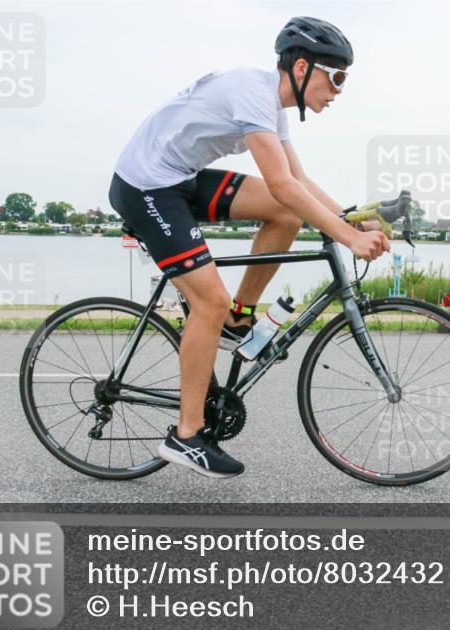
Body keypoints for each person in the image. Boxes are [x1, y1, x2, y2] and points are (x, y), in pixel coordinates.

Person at [108, 17, 389, 479]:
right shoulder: (253, 95)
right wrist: (350, 239)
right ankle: (187, 435)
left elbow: (296, 184)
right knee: (208, 301)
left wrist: (350, 218)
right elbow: (280, 182)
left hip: (181, 178)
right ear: (302, 68)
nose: (339, 89)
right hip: (146, 187)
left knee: (287, 215)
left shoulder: (271, 106)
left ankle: (239, 319)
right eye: (335, 76)